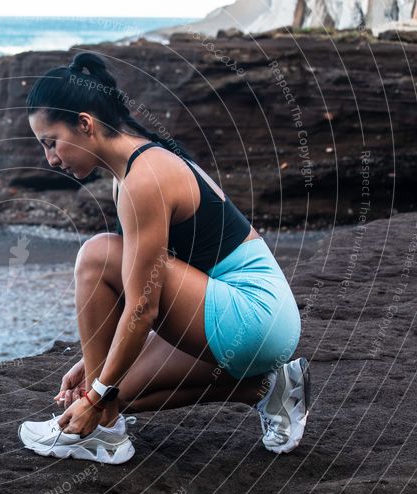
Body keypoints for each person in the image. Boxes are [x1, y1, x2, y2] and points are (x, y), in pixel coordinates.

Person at [18, 52, 310, 465]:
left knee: (97, 256)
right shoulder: (130, 174)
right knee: (119, 389)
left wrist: (95, 394)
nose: (50, 159)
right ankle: (273, 388)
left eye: (51, 143)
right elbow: (141, 281)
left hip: (252, 311)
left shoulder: (146, 177)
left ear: (85, 124)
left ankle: (102, 430)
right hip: (248, 317)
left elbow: (143, 305)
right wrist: (92, 368)